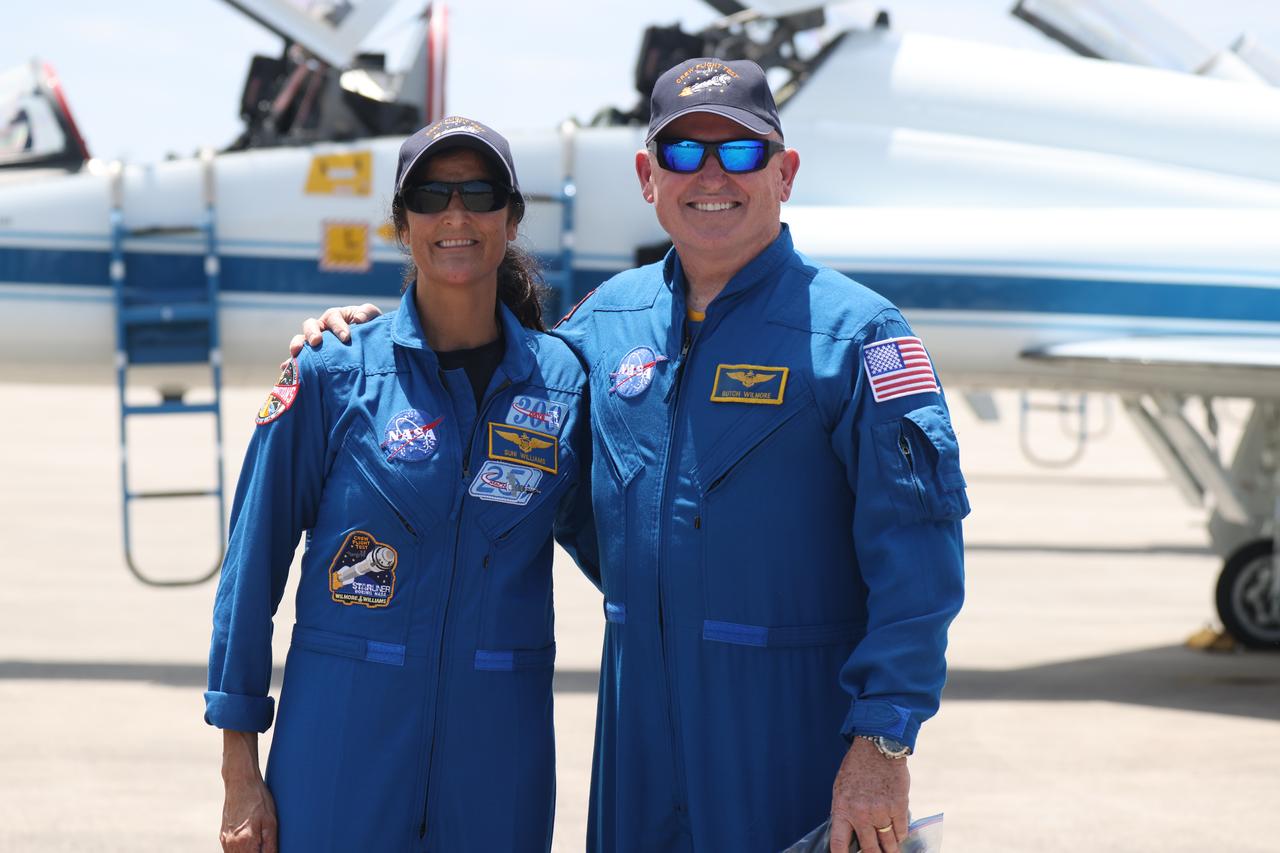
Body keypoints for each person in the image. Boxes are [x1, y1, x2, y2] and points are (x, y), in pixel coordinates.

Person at [293, 58, 967, 853]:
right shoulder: (604, 324)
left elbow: (918, 564)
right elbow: (507, 404)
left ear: (785, 173)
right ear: (649, 176)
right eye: (684, 153)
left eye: (741, 152)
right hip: (637, 725)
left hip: (792, 727)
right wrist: (367, 336)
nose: (711, 174)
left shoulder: (857, 336)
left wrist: (882, 743)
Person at [205, 116, 590, 852]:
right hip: (341, 745)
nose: (455, 214)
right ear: (400, 224)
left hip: (498, 753)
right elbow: (249, 574)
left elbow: (636, 552)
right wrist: (238, 771)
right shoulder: (331, 371)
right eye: (430, 194)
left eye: (479, 193)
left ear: (510, 220)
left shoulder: (565, 384)